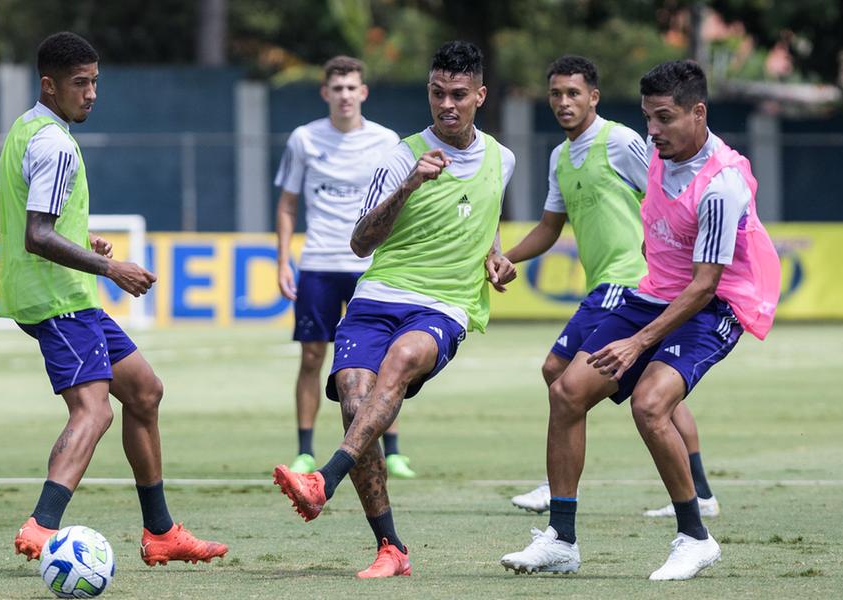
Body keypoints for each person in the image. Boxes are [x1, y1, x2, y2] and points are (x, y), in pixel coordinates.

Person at [500, 60, 779, 580]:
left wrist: (636, 344)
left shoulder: (722, 186)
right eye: (648, 117)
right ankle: (561, 540)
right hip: (651, 292)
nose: (652, 130)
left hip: (715, 305)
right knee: (565, 390)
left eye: (665, 118)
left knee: (651, 404)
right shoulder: (652, 150)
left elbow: (704, 285)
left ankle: (695, 536)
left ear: (699, 113)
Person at [272, 41, 517, 578]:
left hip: (444, 305)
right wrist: (409, 185)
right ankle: (391, 549)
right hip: (378, 294)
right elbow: (361, 243)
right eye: (436, 93)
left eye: (458, 94)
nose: (446, 105)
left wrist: (495, 257)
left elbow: (487, 218)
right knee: (355, 402)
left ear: (480, 94)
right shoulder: (399, 156)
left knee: (402, 360)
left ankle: (323, 479)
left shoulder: (503, 157)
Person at [0, 31, 227, 566]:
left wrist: (81, 239)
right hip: (57, 300)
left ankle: (161, 533)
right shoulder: (53, 143)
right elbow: (36, 235)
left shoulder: (24, 130)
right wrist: (110, 265)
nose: (92, 93)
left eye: (95, 82)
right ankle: (41, 525)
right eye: (80, 83)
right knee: (94, 412)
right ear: (49, 85)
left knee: (144, 392)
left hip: (65, 294)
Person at [504, 56, 720, 519]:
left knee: (558, 370)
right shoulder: (560, 156)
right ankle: (699, 489)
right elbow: (548, 226)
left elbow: (662, 197)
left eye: (573, 93)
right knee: (642, 385)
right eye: (556, 94)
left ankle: (556, 483)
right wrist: (509, 257)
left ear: (593, 97)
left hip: (629, 282)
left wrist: (663, 268)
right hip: (602, 283)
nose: (564, 102)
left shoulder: (621, 141)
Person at [274, 56, 417, 479]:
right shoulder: (304, 139)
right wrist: (284, 260)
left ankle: (392, 450)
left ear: (363, 92)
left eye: (352, 87)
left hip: (370, 266)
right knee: (313, 355)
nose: (344, 95)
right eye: (337, 88)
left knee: (384, 363)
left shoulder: (386, 140)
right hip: (318, 262)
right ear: (325, 93)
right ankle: (304, 450)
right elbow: (287, 204)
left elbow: (401, 203)